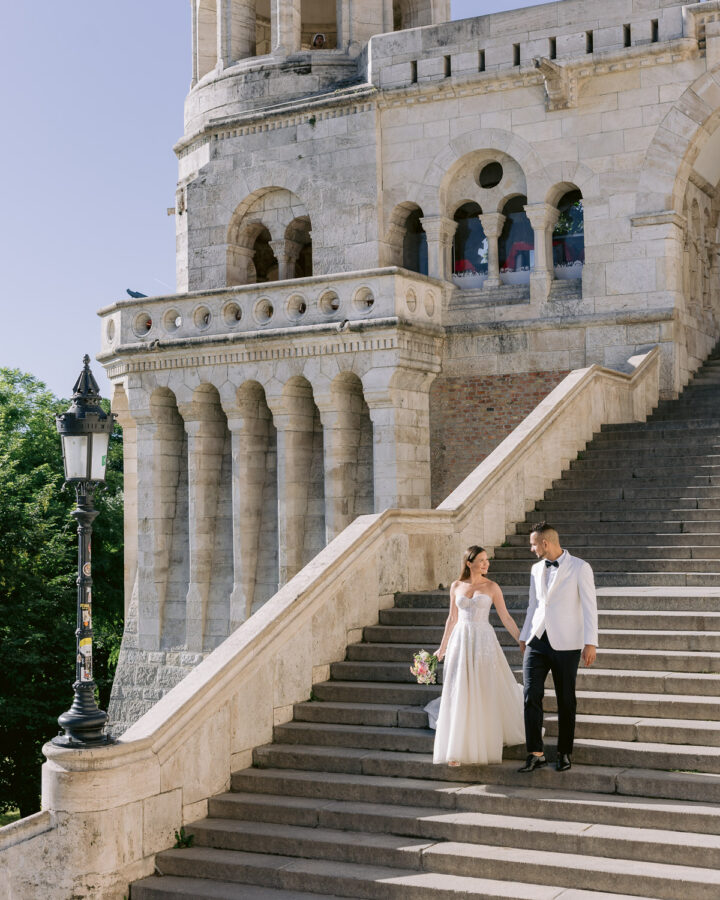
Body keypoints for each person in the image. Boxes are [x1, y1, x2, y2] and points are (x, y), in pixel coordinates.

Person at [425, 545, 525, 766]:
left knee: (482, 688)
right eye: (481, 560)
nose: (485, 564)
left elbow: (506, 617)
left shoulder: (492, 587)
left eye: (486, 560)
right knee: (459, 688)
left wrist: (521, 640)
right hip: (460, 640)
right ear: (469, 563)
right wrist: (442, 649)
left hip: (483, 641)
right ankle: (456, 749)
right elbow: (451, 619)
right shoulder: (456, 586)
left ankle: (484, 741)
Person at [517, 522, 598, 773]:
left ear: (545, 543)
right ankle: (536, 753)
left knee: (566, 699)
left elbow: (589, 606)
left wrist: (590, 642)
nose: (531, 549)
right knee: (531, 695)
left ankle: (564, 752)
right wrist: (524, 635)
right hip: (537, 640)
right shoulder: (535, 569)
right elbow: (534, 605)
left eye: (533, 544)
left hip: (567, 642)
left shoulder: (580, 567)